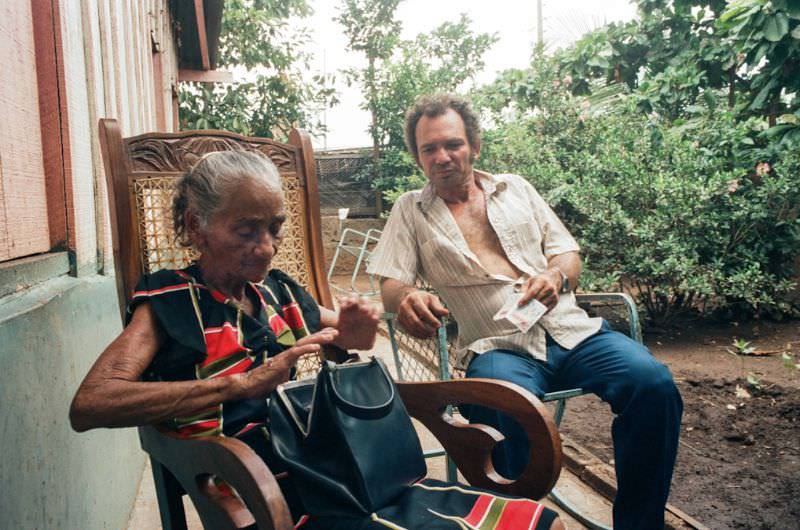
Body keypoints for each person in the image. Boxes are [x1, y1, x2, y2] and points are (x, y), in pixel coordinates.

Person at [70, 149, 563, 530]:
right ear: (196, 226)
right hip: (254, 486)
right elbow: (92, 404)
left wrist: (355, 330)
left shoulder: (276, 290)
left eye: (274, 227)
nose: (266, 246)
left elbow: (345, 332)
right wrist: (237, 386)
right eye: (245, 230)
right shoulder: (171, 300)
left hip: (337, 467)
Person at [367, 93, 683, 530]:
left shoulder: (516, 188)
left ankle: (639, 523)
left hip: (572, 332)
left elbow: (567, 253)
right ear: (418, 157)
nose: (442, 157)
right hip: (497, 346)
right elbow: (391, 285)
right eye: (429, 149)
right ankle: (523, 520)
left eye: (452, 144)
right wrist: (406, 299)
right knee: (502, 405)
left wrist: (555, 276)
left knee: (654, 384)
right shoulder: (411, 210)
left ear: (474, 144)